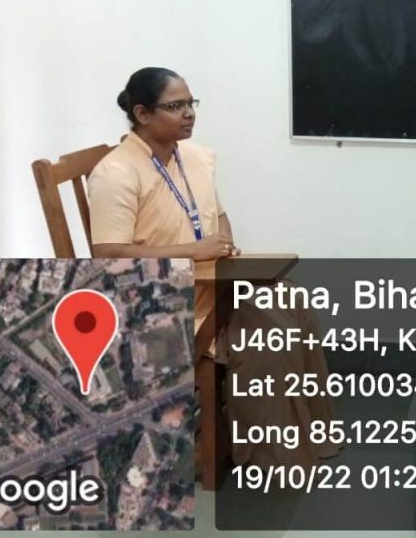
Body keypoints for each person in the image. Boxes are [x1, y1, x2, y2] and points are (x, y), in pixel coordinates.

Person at [88, 67, 339, 468]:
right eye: (175, 106)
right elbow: (107, 254)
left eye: (191, 103)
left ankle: (311, 439)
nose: (189, 113)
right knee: (267, 327)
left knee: (288, 296)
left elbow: (217, 216)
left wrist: (223, 248)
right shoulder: (116, 172)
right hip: (160, 301)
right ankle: (271, 459)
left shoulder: (192, 156)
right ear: (142, 114)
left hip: (208, 279)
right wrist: (196, 251)